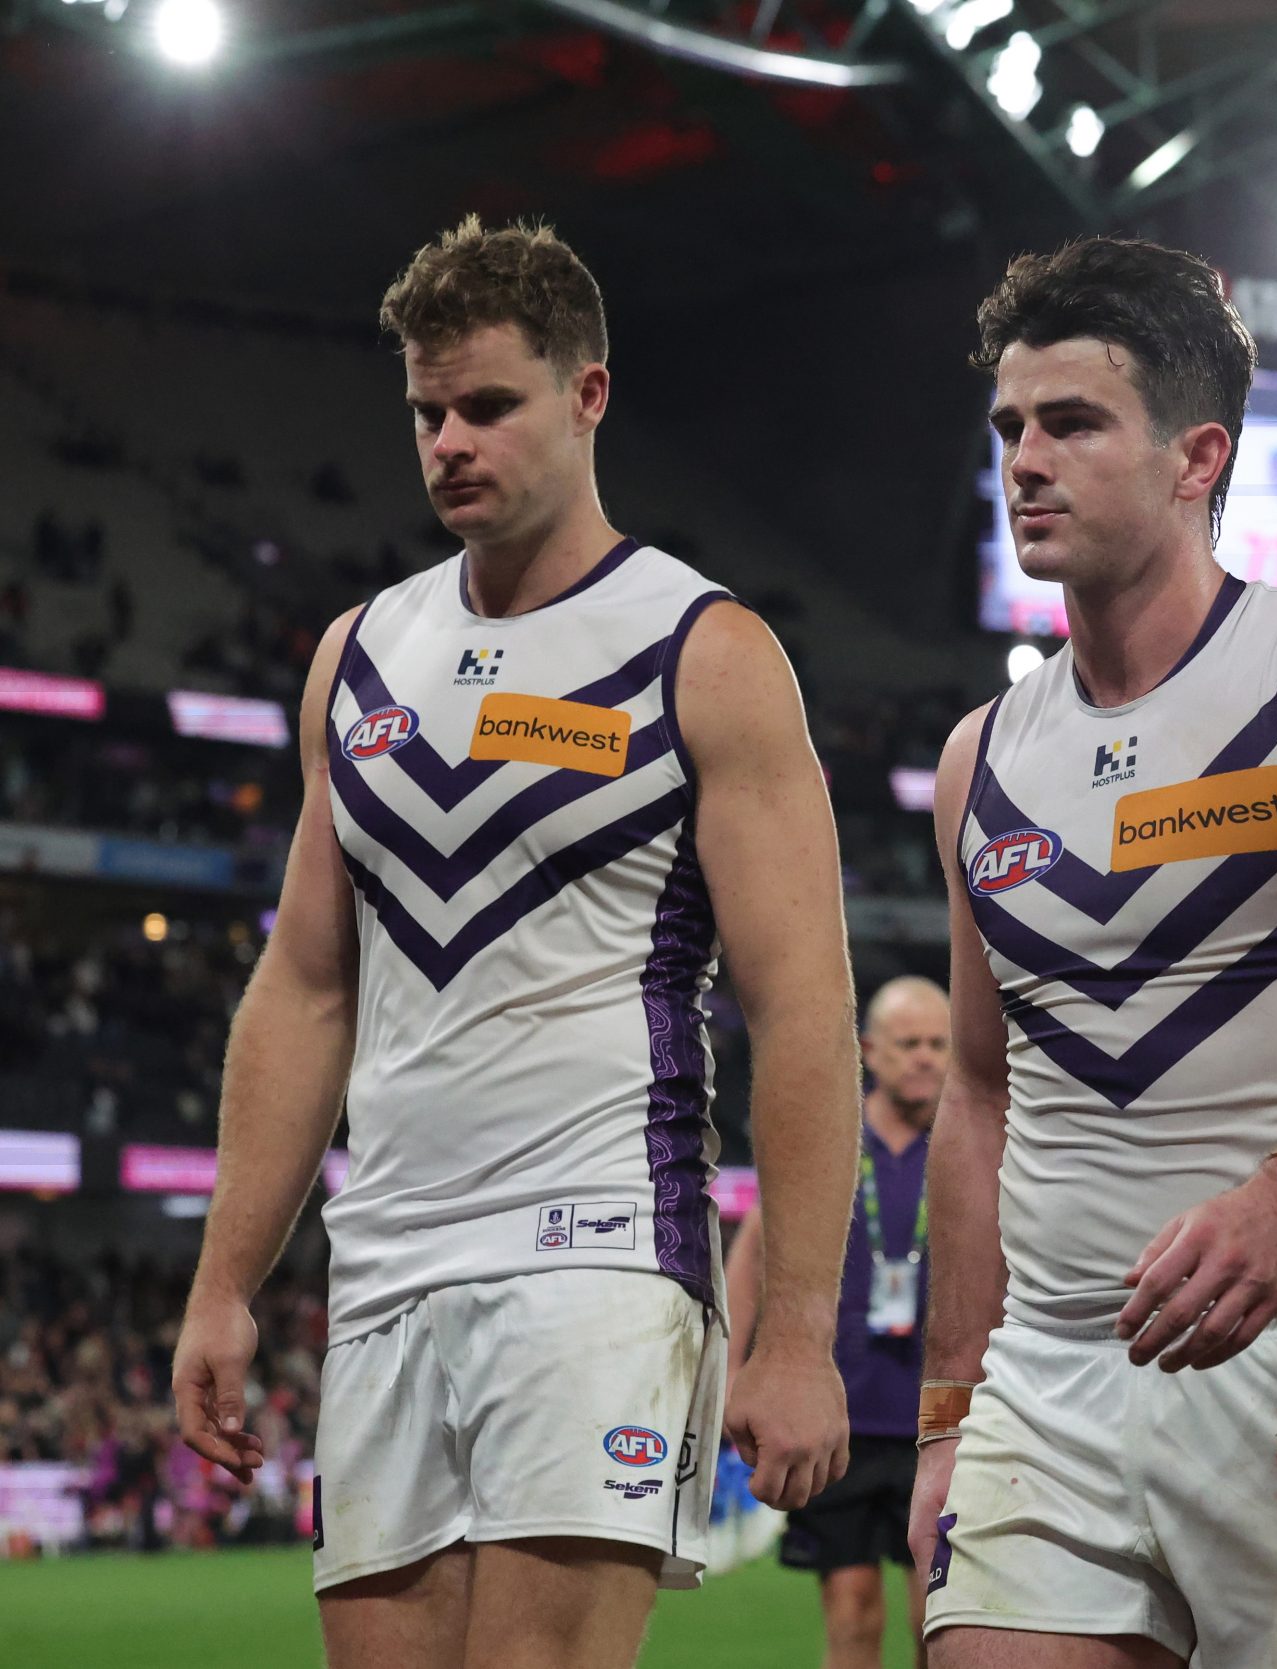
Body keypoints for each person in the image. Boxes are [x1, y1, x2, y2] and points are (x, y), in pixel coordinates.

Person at [168, 216, 859, 1669]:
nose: (449, 443)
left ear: (588, 394)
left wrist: (794, 1326)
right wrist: (225, 1281)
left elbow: (805, 1015)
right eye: (428, 411)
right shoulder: (356, 658)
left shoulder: (704, 653)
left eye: (489, 405)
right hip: (388, 1261)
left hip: (600, 1244)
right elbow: (303, 987)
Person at [910, 236, 1277, 1669]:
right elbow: (978, 1093)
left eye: (1073, 423)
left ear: (1197, 457)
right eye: (1010, 429)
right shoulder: (980, 758)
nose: (1027, 461)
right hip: (1045, 1389)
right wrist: (943, 1412)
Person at [727, 975, 950, 1669]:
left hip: (939, 1420)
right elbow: (754, 1252)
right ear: (870, 1050)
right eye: (909, 1042)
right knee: (852, 1614)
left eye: (939, 1043)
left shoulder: (968, 1143)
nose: (925, 1057)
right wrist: (731, 1372)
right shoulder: (830, 1139)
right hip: (842, 1417)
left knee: (934, 1621)